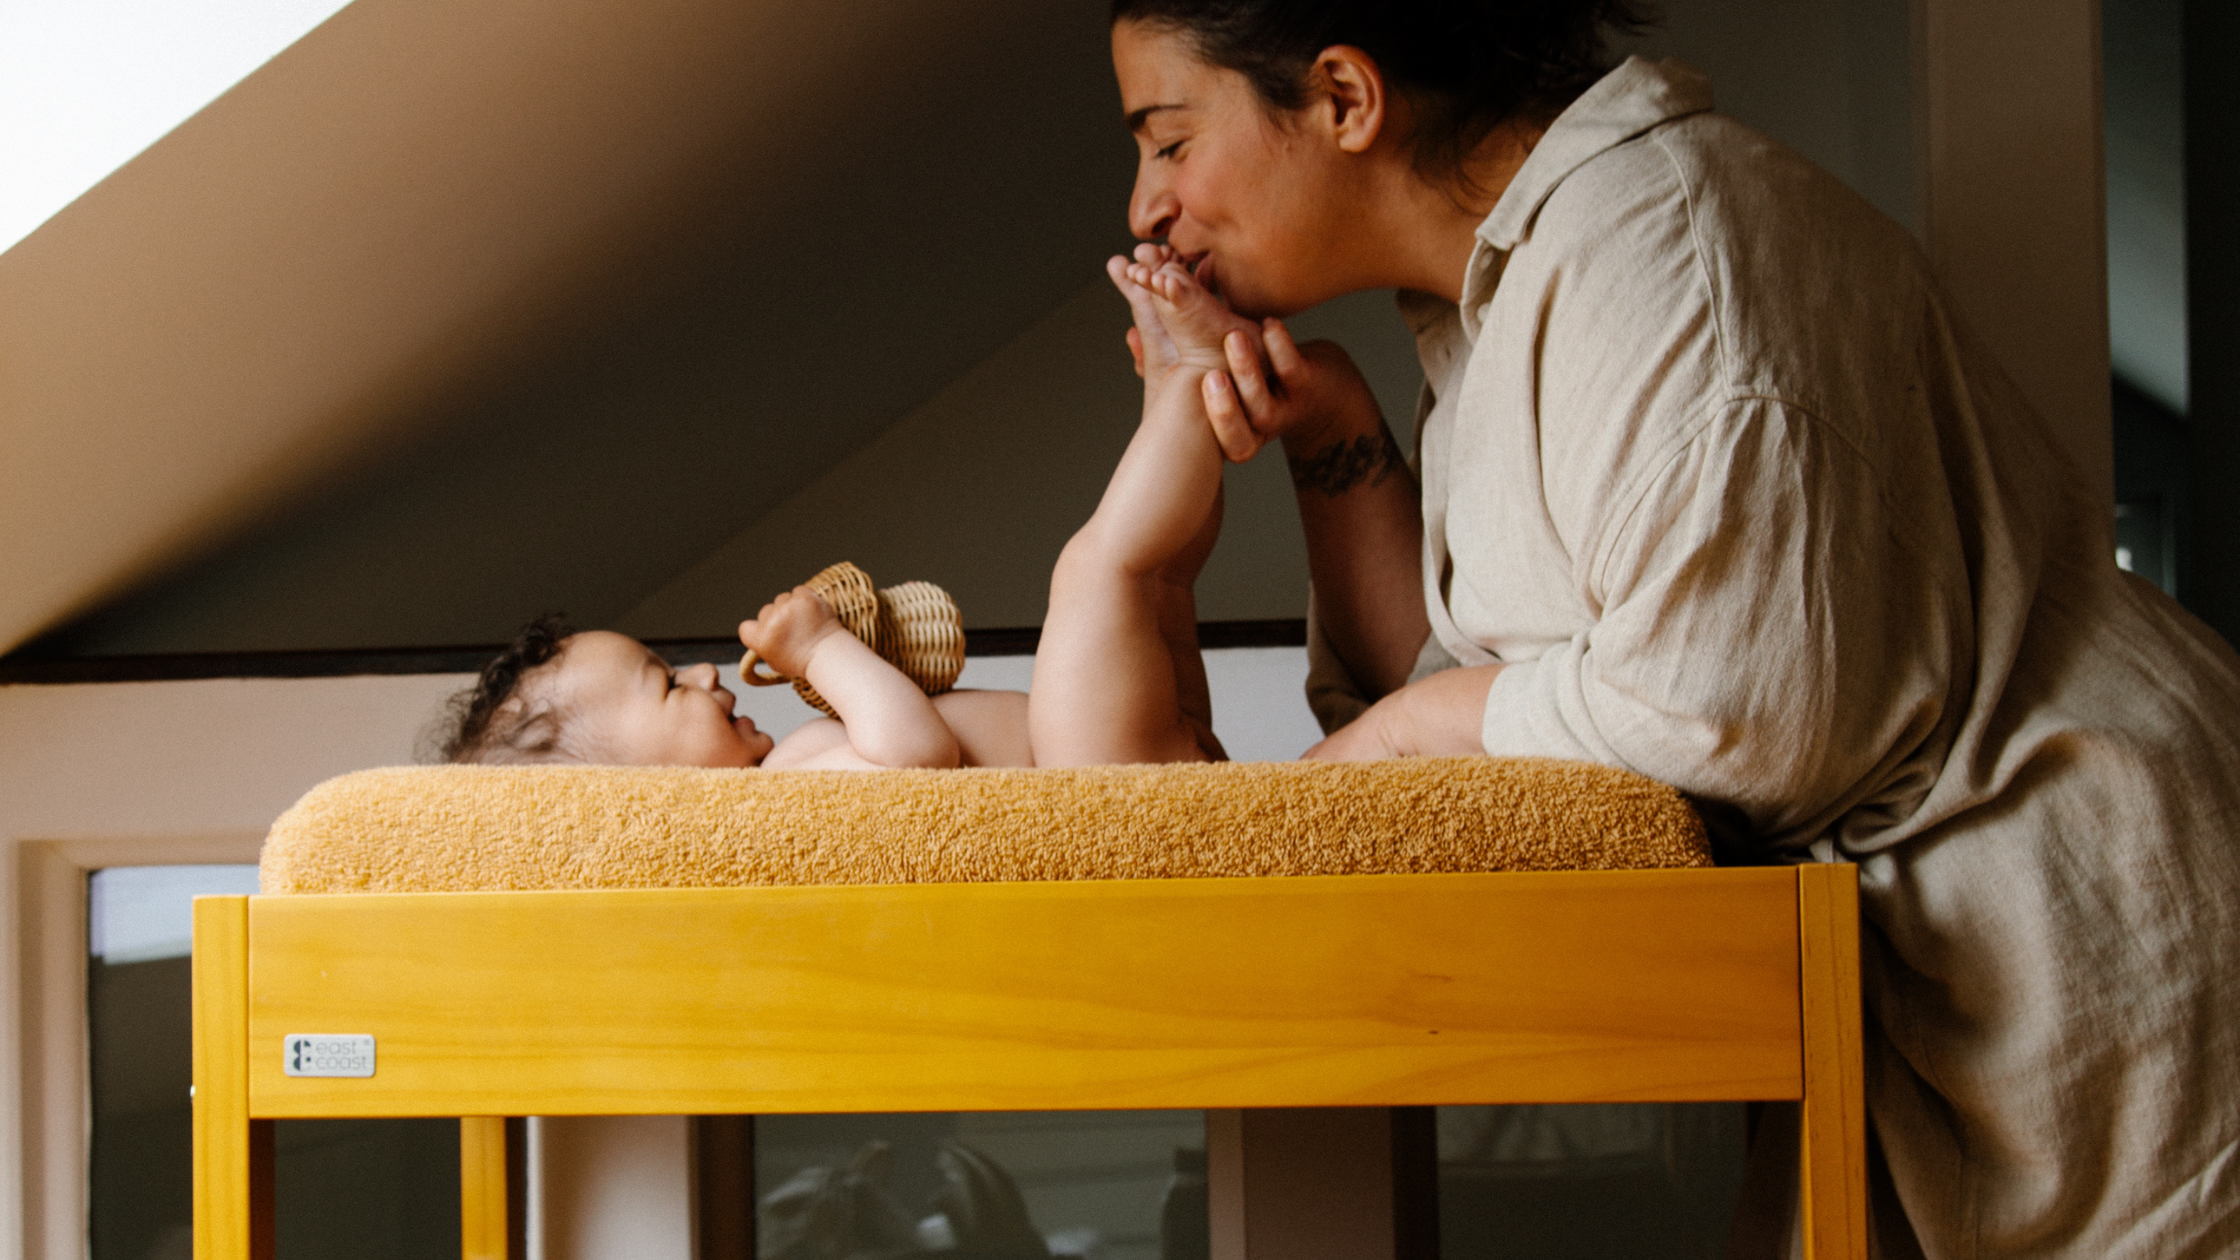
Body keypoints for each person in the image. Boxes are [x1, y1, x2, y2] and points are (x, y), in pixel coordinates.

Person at [1104, 1, 2240, 1256]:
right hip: (1938, 997)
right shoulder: (1500, 300)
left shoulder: (1664, 250)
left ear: (1342, 98)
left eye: (1168, 140)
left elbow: (1734, 710)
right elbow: (1480, 728)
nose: (1144, 206)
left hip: (2096, 943)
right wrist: (1328, 428)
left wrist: (1403, 734)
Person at [435, 253, 1254, 772]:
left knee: (1160, 584)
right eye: (666, 684)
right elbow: (916, 754)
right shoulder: (783, 801)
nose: (704, 673)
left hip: (1116, 742)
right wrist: (821, 648)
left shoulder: (789, 770)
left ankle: (1178, 399)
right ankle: (1196, 374)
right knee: (1099, 571)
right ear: (636, 793)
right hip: (1093, 762)